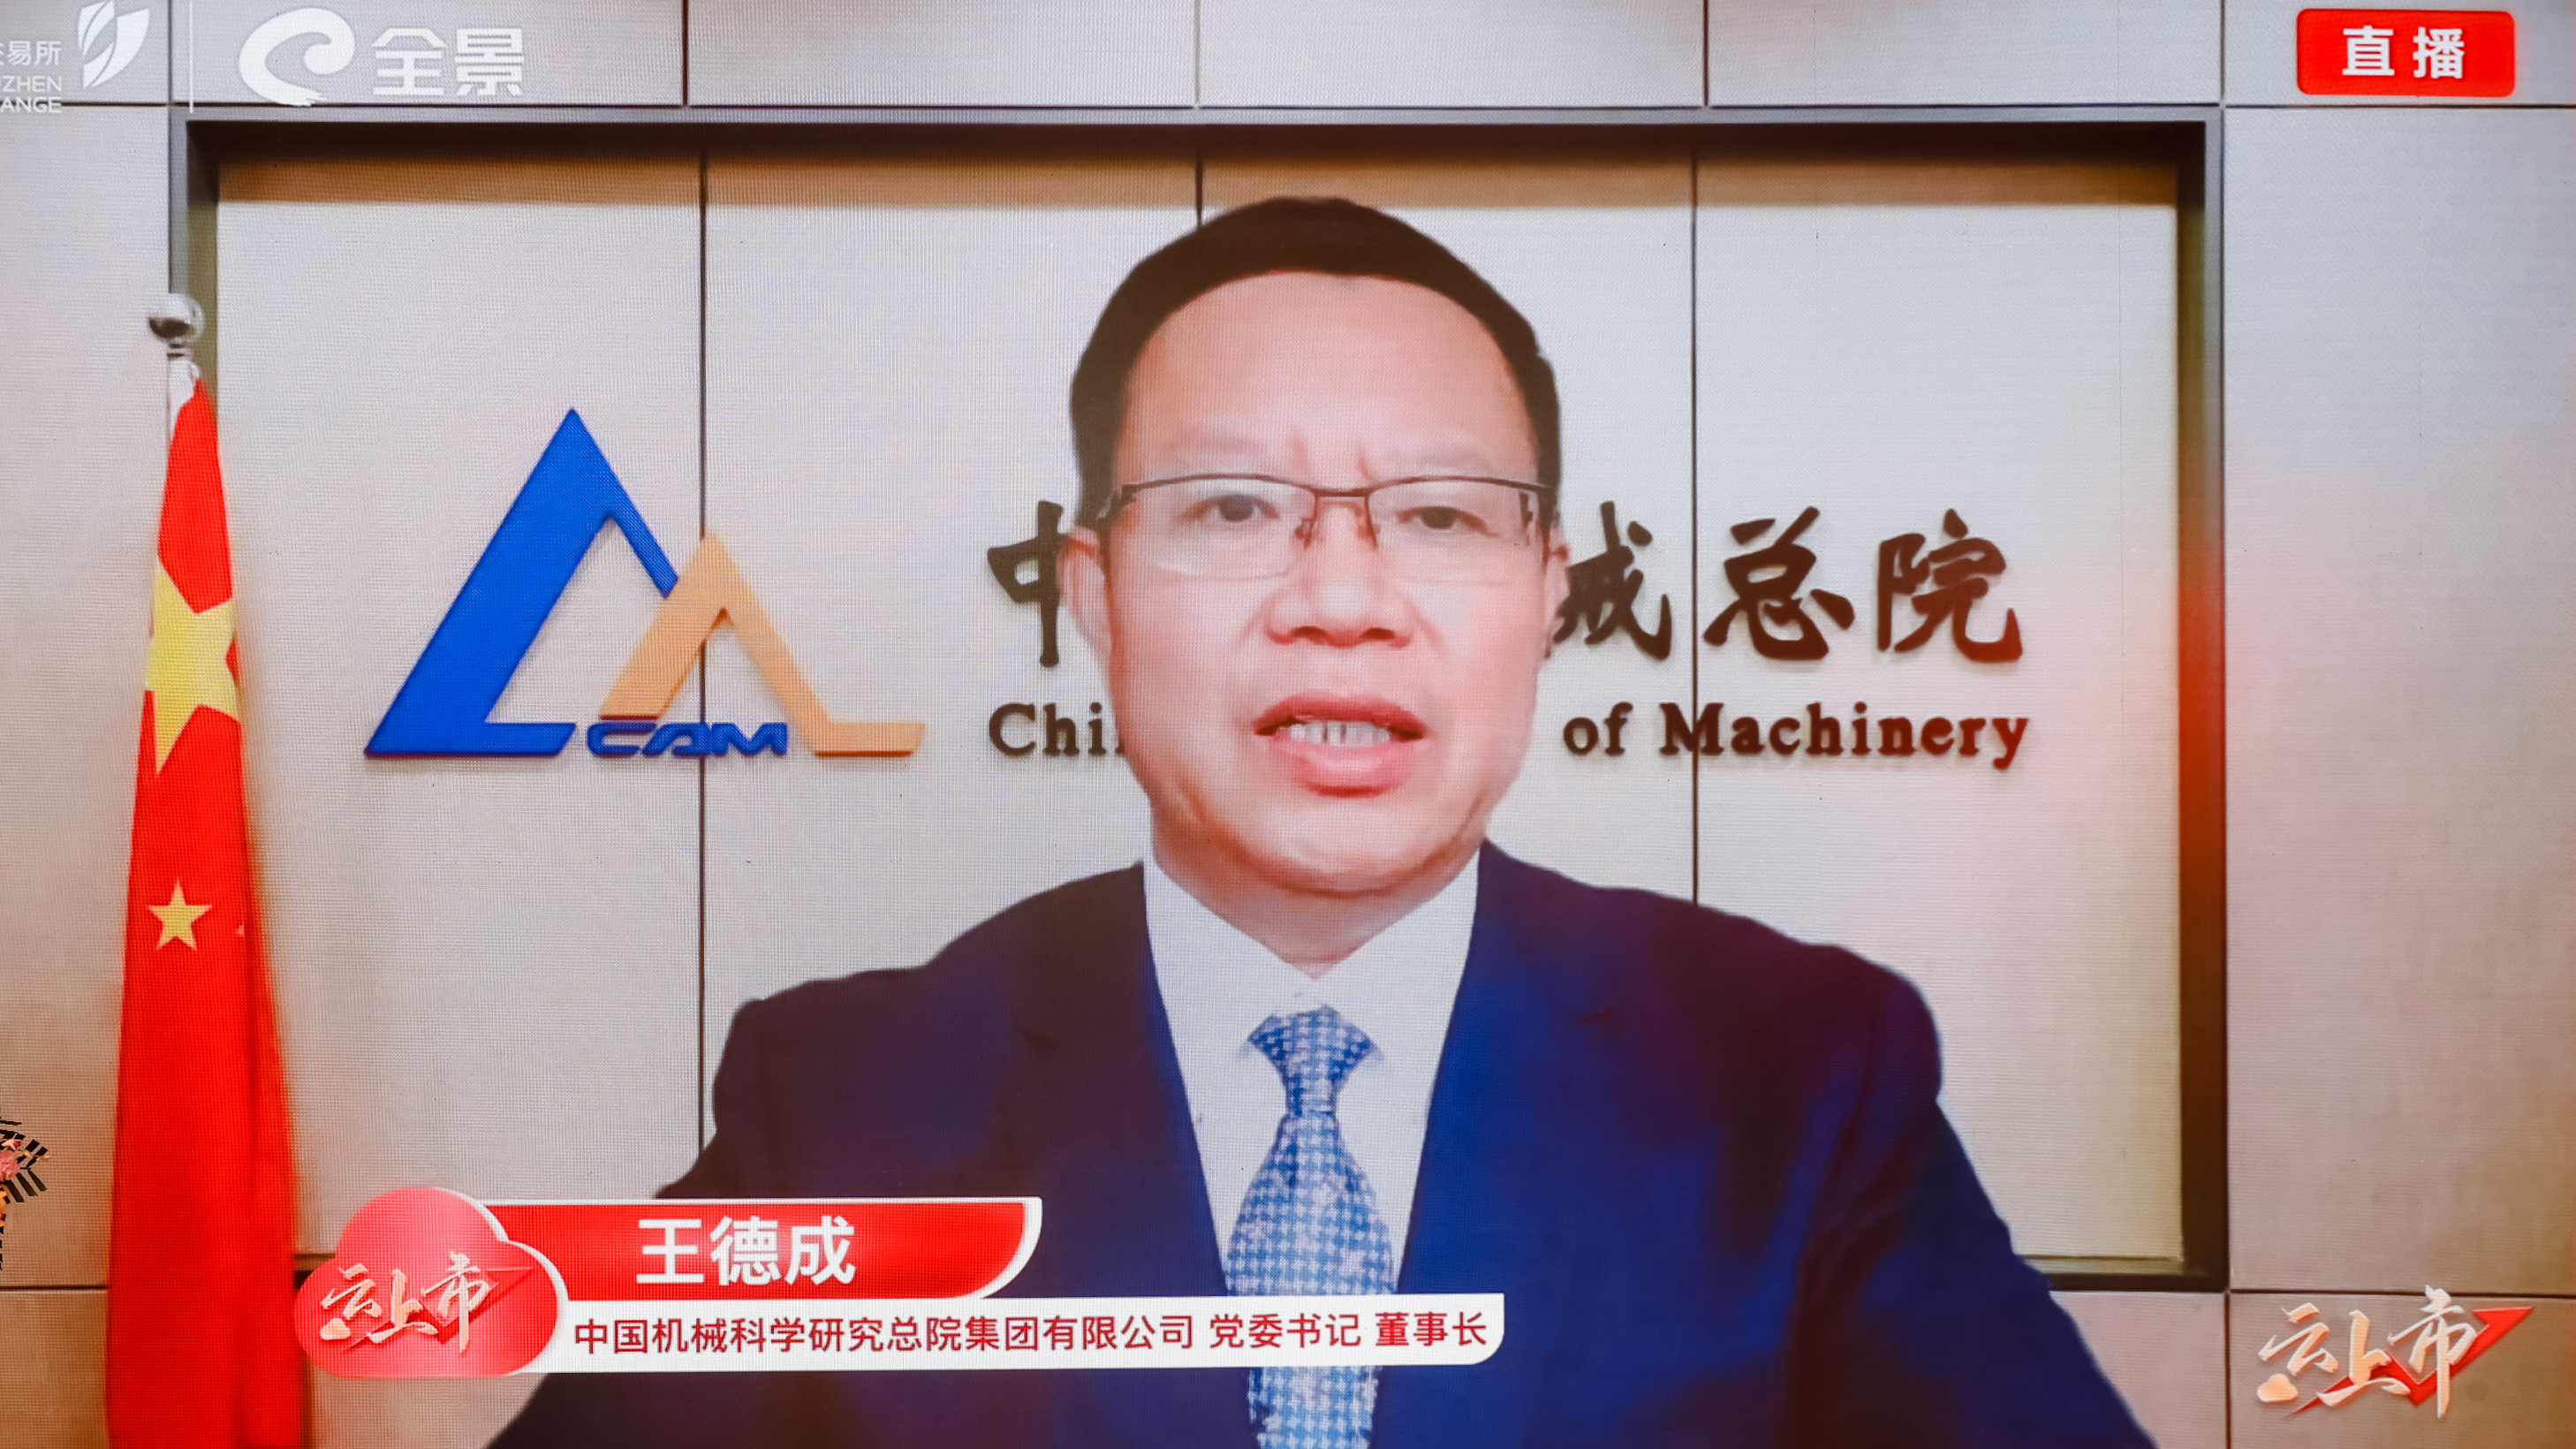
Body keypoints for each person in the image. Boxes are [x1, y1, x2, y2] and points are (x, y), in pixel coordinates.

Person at [495, 198, 2148, 1447]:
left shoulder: (1797, 1076)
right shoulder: (844, 1102)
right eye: (1233, 509)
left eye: (1440, 517)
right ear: (1096, 597)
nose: (1342, 600)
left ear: (1549, 593)